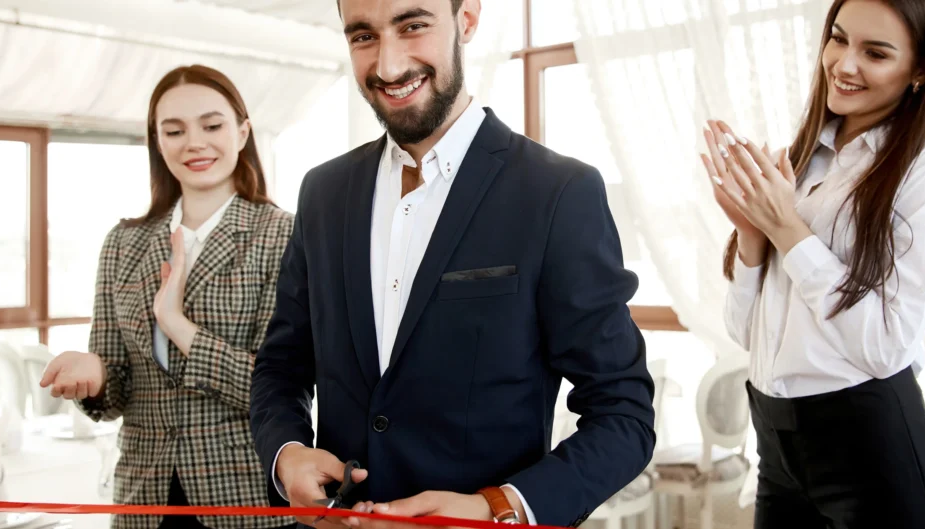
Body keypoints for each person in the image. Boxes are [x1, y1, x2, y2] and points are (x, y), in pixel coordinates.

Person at [249, 0, 655, 527]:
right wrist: (287, 456)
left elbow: (623, 415)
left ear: (467, 19)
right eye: (363, 37)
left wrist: (499, 508)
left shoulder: (557, 193)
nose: (389, 67)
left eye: (413, 26)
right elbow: (281, 367)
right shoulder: (323, 192)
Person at [704, 0, 925, 527]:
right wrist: (753, 235)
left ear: (923, 69)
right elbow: (745, 333)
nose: (844, 65)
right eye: (839, 39)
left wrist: (786, 227)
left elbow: (885, 346)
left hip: (875, 459)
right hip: (778, 450)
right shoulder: (801, 162)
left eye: (875, 52)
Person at [39, 64, 296, 529]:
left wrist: (176, 323)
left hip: (246, 499)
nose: (194, 142)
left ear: (242, 132)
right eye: (174, 130)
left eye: (212, 125)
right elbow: (115, 396)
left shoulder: (284, 236)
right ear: (157, 142)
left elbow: (276, 386)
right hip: (145, 499)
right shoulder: (124, 243)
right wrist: (96, 374)